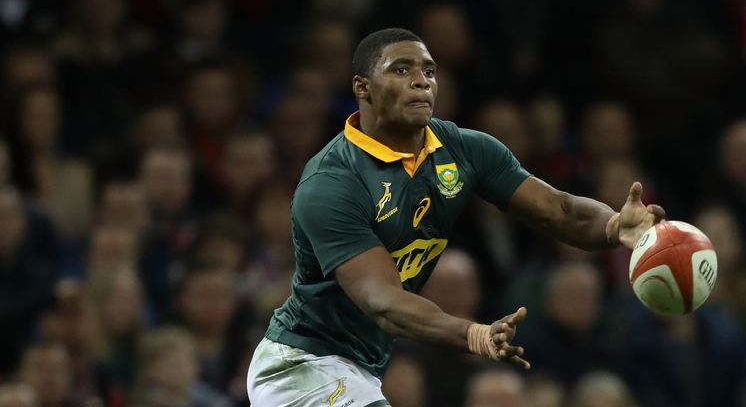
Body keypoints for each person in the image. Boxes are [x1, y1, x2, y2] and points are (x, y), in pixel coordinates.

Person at [246, 28, 665, 406]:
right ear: (363, 87)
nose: (421, 81)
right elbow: (382, 301)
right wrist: (475, 334)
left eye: (429, 71)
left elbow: (560, 211)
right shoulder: (332, 182)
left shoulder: (464, 149)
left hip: (362, 368)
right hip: (300, 364)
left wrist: (614, 226)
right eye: (402, 70)